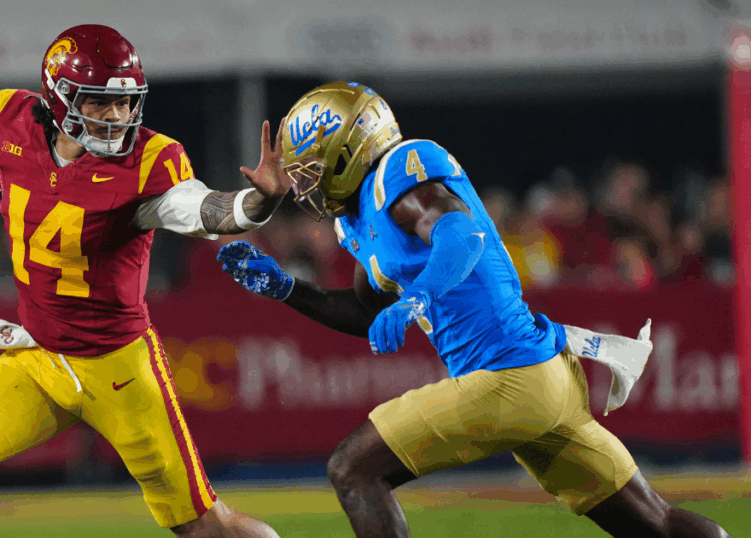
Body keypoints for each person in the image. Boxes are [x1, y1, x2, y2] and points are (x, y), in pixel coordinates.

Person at [217, 81, 732, 538]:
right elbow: (365, 313)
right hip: (538, 379)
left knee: (354, 468)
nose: (305, 185)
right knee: (654, 523)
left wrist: (420, 296)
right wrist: (288, 289)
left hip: (510, 375)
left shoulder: (397, 172)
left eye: (312, 169)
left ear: (351, 152)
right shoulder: (357, 221)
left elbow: (462, 235)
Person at [0, 24, 286, 538]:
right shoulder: (15, 130)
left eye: (126, 104)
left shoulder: (148, 163)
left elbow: (211, 210)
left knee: (207, 528)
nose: (117, 117)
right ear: (59, 98)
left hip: (118, 368)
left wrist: (258, 202)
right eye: (100, 103)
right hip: (39, 356)